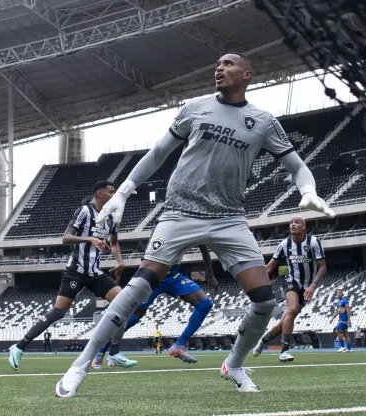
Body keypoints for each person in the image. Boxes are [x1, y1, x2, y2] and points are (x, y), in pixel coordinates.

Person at [55, 52, 334, 397]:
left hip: (230, 218)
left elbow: (297, 165)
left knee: (264, 301)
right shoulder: (194, 107)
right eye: (216, 63)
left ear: (247, 74)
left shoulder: (262, 121)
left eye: (228, 63)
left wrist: (308, 189)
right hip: (179, 213)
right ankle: (80, 365)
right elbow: (158, 153)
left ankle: (234, 364)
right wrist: (124, 191)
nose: (219, 67)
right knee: (138, 287)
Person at [8, 181, 128, 370]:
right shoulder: (85, 211)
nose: (114, 196)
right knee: (59, 312)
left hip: (95, 273)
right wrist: (89, 238)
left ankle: (114, 354)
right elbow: (66, 237)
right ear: (99, 194)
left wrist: (120, 262)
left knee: (124, 304)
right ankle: (19, 346)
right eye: (111, 192)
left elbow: (114, 243)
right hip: (76, 271)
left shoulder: (112, 218)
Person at [92, 247, 218, 368]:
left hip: (173, 276)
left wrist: (211, 275)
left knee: (205, 304)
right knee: (133, 316)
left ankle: (179, 345)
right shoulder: (164, 227)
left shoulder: (193, 229)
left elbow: (204, 249)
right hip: (152, 276)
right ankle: (101, 351)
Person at [252, 216, 327, 363]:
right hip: (290, 281)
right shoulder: (284, 244)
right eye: (291, 223)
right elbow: (270, 267)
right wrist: (255, 284)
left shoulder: (313, 242)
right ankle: (284, 351)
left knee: (283, 322)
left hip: (307, 286)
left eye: (297, 222)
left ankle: (263, 340)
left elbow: (323, 267)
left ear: (304, 226)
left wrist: (312, 286)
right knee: (291, 309)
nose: (293, 224)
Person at [331, 288, 351, 352]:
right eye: (337, 292)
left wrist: (349, 319)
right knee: (345, 334)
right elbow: (337, 311)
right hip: (341, 319)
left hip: (343, 319)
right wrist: (332, 318)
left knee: (337, 331)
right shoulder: (338, 302)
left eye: (339, 292)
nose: (338, 293)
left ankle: (342, 347)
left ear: (342, 293)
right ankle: (349, 348)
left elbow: (348, 310)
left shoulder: (344, 301)